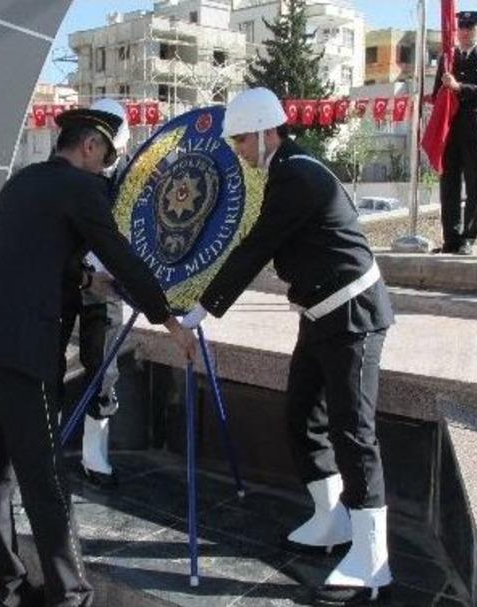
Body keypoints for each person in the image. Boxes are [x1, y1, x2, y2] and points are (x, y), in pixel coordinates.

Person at [0, 107, 197, 607]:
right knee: (45, 479)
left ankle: (9, 590)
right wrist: (170, 321)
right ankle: (70, 596)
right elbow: (121, 256)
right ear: (90, 147)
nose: (105, 170)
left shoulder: (22, 182)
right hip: (19, 350)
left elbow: (27, 256)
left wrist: (85, 279)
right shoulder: (81, 188)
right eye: (105, 159)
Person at [181, 88, 395, 606]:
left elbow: (256, 247)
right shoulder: (286, 171)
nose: (239, 151)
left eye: (241, 140)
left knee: (353, 432)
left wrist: (202, 308)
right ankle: (331, 519)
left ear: (265, 132)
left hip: (352, 315)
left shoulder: (297, 175)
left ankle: (373, 559)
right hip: (321, 315)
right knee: (303, 417)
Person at [76, 97, 133, 489]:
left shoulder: (131, 175)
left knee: (103, 370)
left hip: (108, 285)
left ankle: (93, 456)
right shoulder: (71, 171)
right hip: (68, 279)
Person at [432, 10, 477, 256]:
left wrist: (458, 87)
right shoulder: (448, 58)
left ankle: (468, 238)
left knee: (473, 186)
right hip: (450, 130)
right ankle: (450, 238)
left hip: (474, 130)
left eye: (470, 28)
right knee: (448, 186)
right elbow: (436, 94)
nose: (464, 32)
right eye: (461, 27)